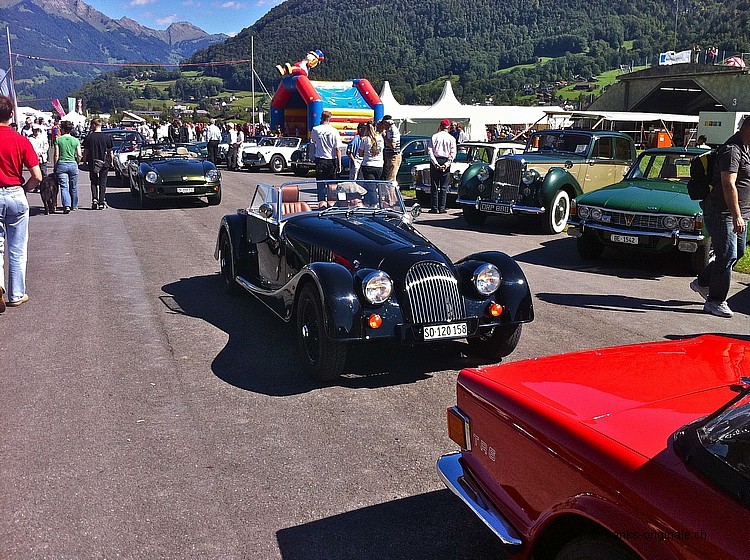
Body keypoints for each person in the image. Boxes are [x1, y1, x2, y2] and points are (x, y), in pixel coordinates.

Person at [690, 116, 750, 318]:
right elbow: (728, 184)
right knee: (726, 255)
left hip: (740, 213)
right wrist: (736, 215)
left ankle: (703, 282)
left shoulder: (746, 148)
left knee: (738, 252)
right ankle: (715, 301)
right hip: (723, 213)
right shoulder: (732, 150)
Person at [0, 95, 42, 311]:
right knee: (17, 248)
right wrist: (24, 189)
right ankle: (16, 294)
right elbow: (37, 176)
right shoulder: (21, 140)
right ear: (11, 114)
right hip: (16, 193)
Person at [81, 118, 114, 210]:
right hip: (104, 162)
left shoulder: (89, 137)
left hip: (92, 161)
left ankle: (94, 199)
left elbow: (86, 151)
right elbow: (110, 152)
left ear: (94, 125)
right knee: (103, 183)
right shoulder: (107, 137)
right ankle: (101, 202)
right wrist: (111, 162)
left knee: (94, 182)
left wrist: (84, 161)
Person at [311, 110, 341, 202]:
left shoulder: (315, 129)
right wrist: (339, 164)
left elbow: (314, 140)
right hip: (331, 159)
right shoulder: (334, 131)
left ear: (321, 118)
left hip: (320, 159)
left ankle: (321, 203)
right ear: (330, 119)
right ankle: (331, 203)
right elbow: (337, 149)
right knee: (331, 185)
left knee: (320, 185)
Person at [428, 118, 457, 213]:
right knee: (444, 187)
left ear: (440, 126)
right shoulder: (451, 138)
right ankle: (442, 207)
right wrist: (446, 164)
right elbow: (453, 153)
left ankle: (434, 207)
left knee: (434, 186)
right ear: (448, 127)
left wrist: (435, 163)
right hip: (445, 159)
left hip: (436, 159)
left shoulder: (434, 137)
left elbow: (430, 151)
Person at [54, 120, 82, 214]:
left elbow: (56, 155)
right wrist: (77, 162)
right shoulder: (75, 140)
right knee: (73, 186)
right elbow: (79, 155)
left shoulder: (58, 140)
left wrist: (55, 165)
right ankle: (74, 205)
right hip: (73, 164)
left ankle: (66, 205)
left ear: (62, 129)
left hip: (62, 164)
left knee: (64, 186)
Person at [380, 115, 401, 186]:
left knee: (391, 178)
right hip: (389, 156)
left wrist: (385, 137)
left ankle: (391, 192)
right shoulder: (388, 130)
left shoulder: (393, 130)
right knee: (388, 177)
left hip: (393, 156)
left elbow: (393, 145)